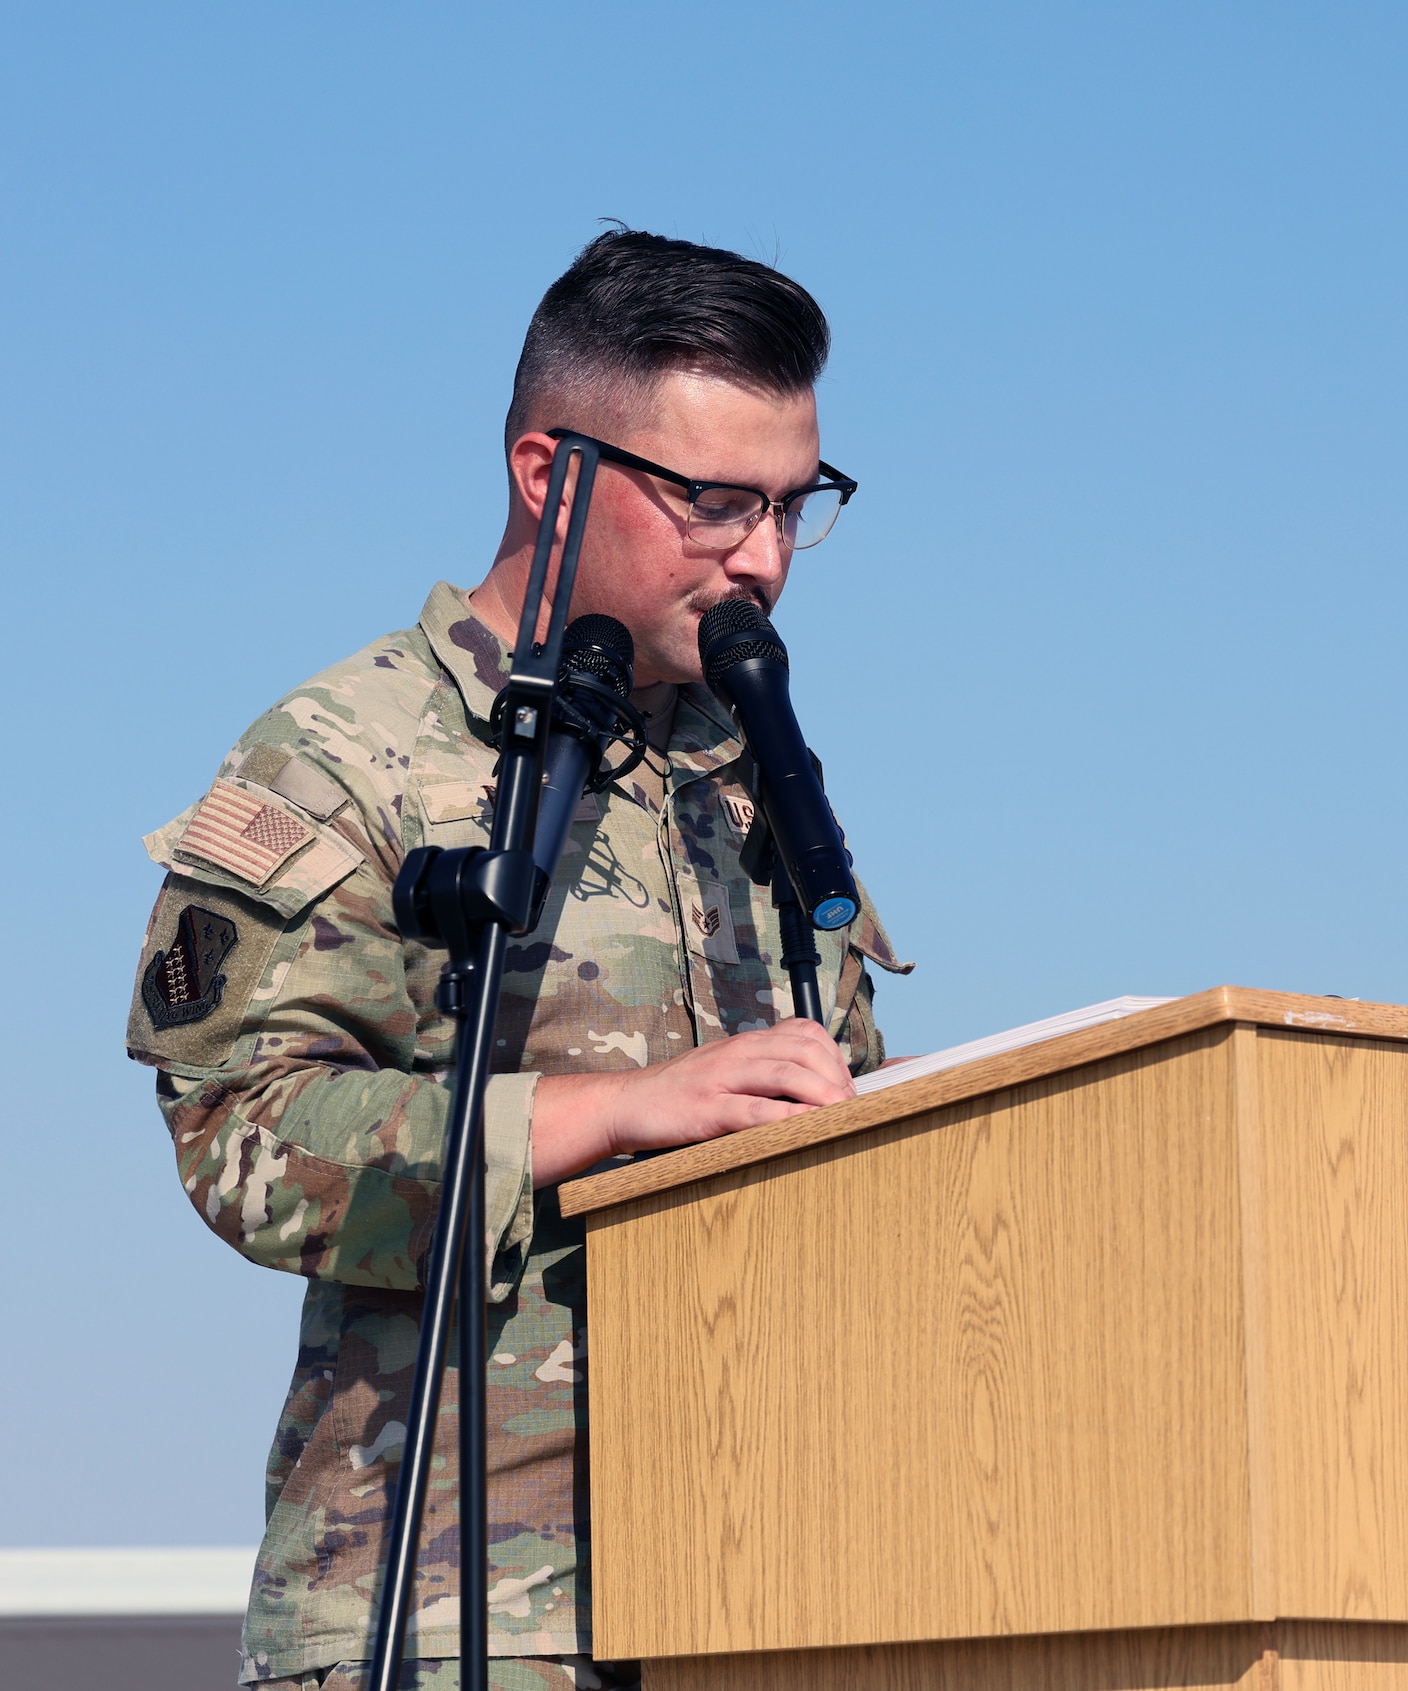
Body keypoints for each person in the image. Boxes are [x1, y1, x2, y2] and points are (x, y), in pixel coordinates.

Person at [124, 230, 907, 1691]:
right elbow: (238, 1137)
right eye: (716, 502)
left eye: (798, 506)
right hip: (447, 1609)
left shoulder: (752, 774)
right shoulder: (345, 754)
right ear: (550, 474)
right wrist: (604, 1116)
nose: (765, 558)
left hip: (764, 1590)